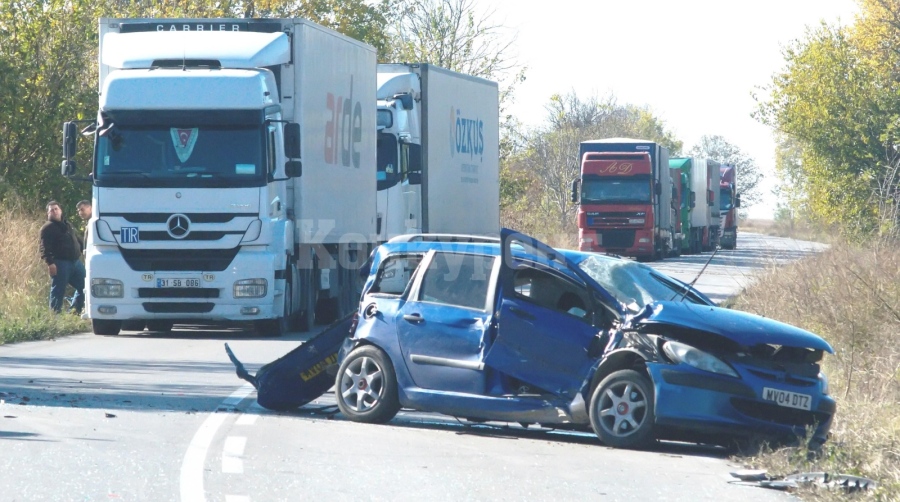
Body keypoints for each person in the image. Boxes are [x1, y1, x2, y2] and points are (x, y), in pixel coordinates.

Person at [39, 201, 85, 314]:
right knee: (58, 290)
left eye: (56, 209)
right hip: (60, 263)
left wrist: (85, 248)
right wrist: (50, 263)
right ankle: (54, 317)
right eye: (51, 210)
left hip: (75, 262)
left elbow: (76, 239)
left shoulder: (67, 224)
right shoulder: (47, 228)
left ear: (60, 210)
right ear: (48, 213)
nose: (54, 211)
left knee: (85, 286)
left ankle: (74, 312)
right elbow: (44, 247)